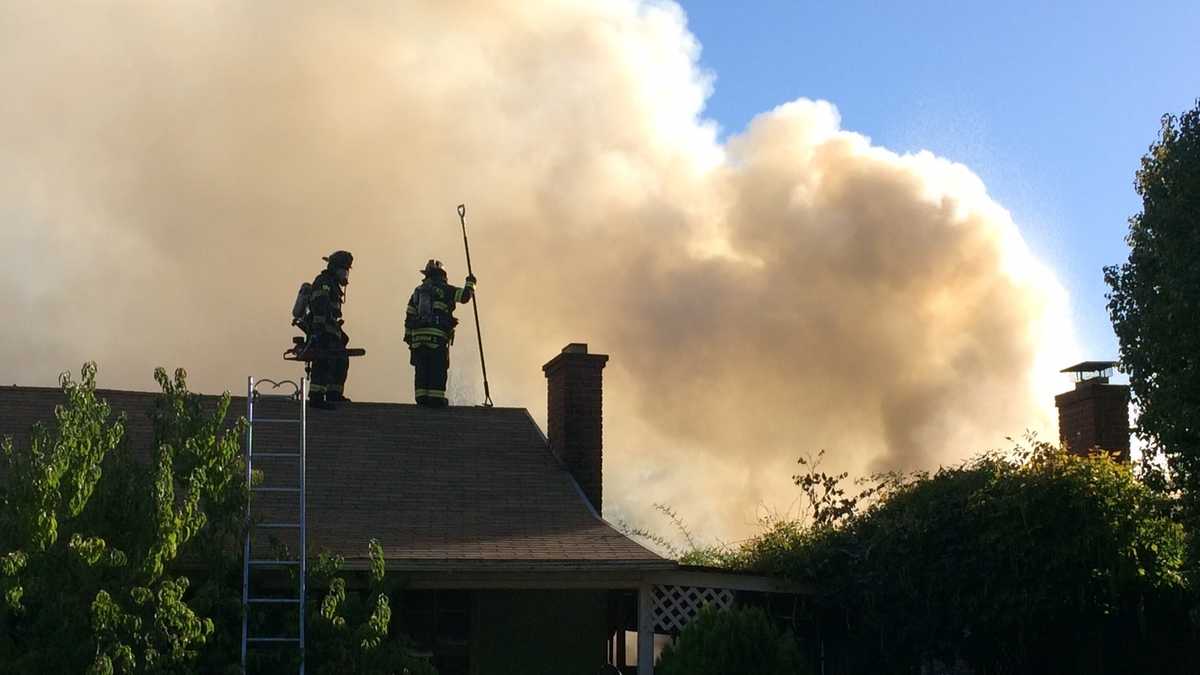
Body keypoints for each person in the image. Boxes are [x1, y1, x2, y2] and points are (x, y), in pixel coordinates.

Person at [404, 259, 476, 407]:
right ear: (443, 275)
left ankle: (421, 397)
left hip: (418, 339)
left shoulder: (417, 292)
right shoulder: (446, 289)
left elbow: (409, 316)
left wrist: (410, 340)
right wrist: (471, 283)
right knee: (437, 368)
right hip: (436, 338)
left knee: (422, 369)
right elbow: (465, 297)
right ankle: (436, 399)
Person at [308, 250, 353, 409]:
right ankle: (316, 397)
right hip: (323, 332)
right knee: (323, 362)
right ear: (335, 268)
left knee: (341, 360)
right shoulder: (324, 282)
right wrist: (320, 332)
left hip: (331, 331)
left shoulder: (332, 283)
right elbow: (320, 306)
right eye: (344, 269)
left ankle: (334, 394)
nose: (346, 273)